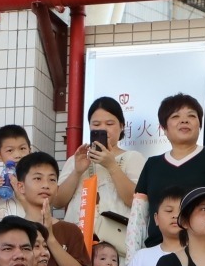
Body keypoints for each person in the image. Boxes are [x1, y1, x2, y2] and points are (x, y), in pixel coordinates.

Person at [131, 94, 205, 252]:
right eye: (175, 116)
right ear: (164, 128)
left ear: (200, 125)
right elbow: (138, 217)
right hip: (159, 251)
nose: (184, 120)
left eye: (191, 116)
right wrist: (132, 257)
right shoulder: (152, 164)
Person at [54, 95, 145, 257]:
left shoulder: (133, 158)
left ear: (122, 126)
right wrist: (77, 171)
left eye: (110, 124)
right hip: (76, 245)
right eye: (96, 124)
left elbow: (134, 200)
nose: (103, 128)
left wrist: (112, 166)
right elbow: (58, 201)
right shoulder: (77, 159)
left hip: (117, 248)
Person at [0, 151, 90, 266]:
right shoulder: (11, 230)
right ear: (21, 187)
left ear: (57, 189)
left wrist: (50, 238)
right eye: (38, 178)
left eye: (52, 179)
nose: (46, 185)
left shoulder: (70, 230)